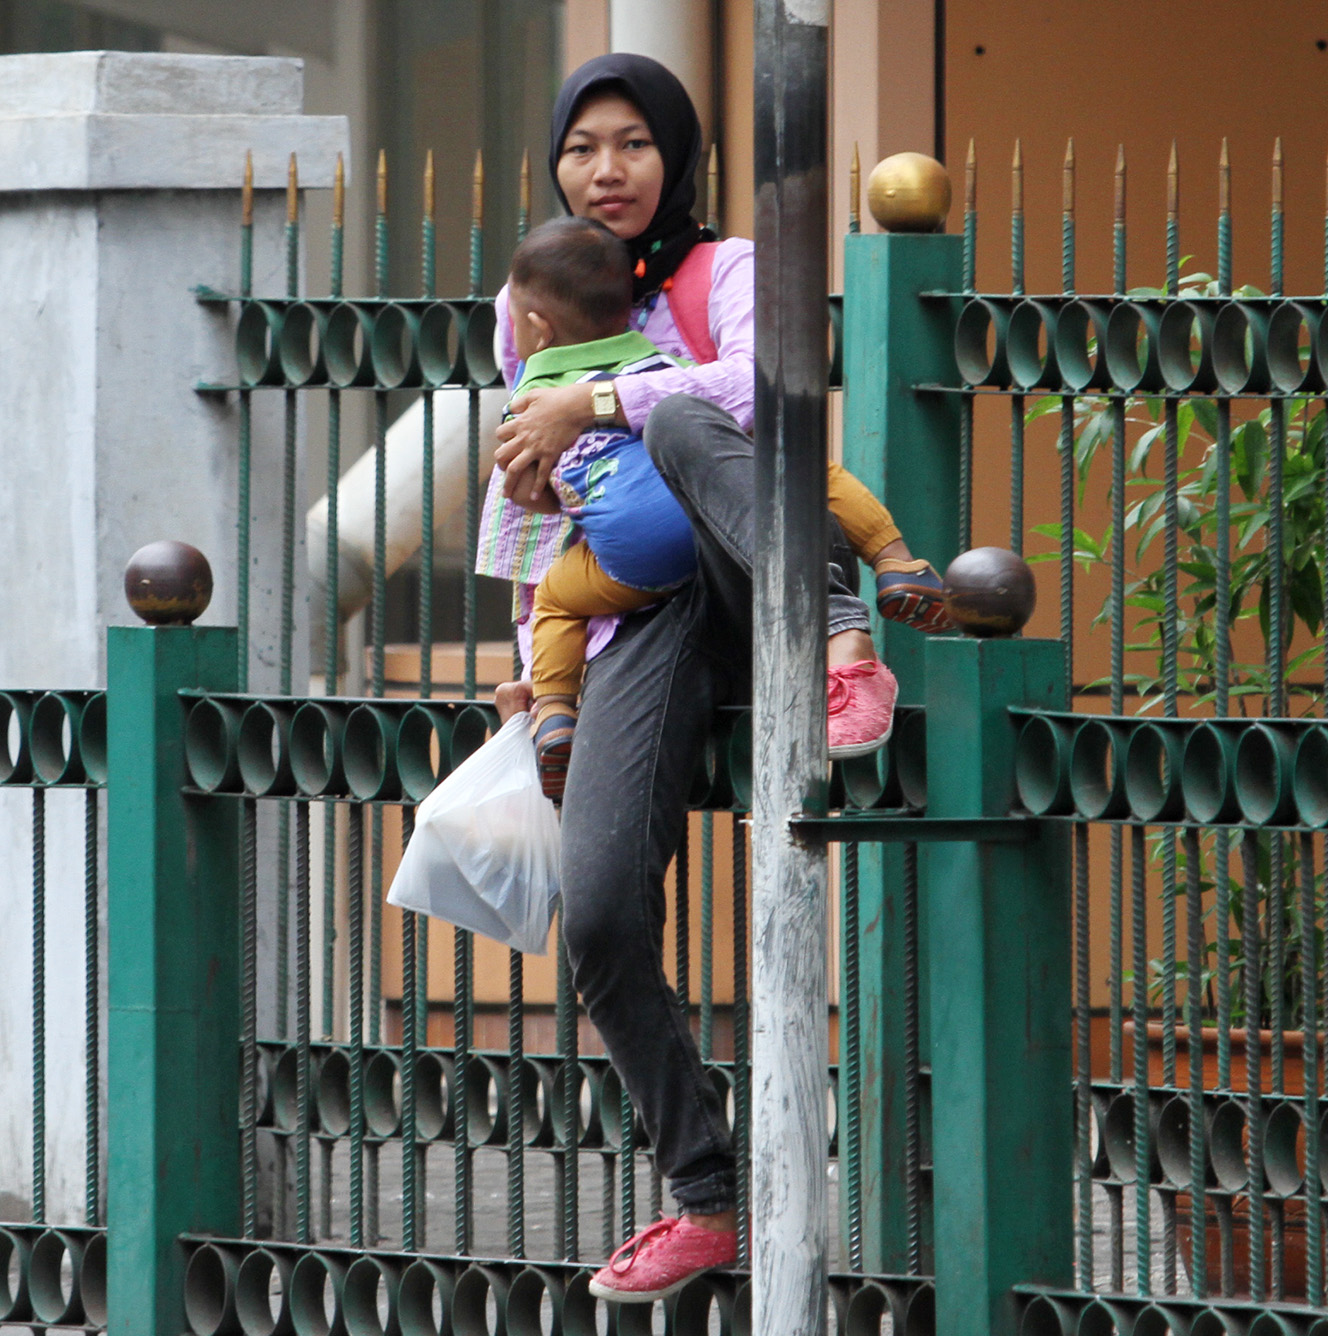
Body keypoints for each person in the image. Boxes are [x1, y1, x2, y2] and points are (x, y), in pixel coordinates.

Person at [473, 53, 935, 1304]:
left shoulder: (719, 268)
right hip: (639, 614)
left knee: (678, 420)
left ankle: (846, 646)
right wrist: (535, 668)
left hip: (762, 571)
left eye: (631, 143)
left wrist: (603, 402)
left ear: (673, 154)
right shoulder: (535, 299)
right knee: (603, 905)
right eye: (582, 147)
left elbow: (759, 382)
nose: (605, 169)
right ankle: (706, 1196)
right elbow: (528, 505)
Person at [501, 214, 952, 800]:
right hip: (713, 531)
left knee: (559, 596)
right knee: (802, 468)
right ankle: (896, 563)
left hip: (630, 563)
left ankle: (554, 713)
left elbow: (531, 498)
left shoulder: (529, 401)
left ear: (536, 330)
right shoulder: (666, 370)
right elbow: (743, 408)